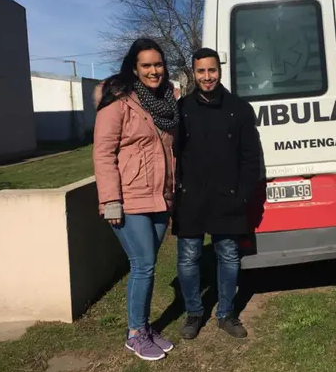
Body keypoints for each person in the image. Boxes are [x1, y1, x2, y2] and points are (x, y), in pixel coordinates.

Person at [92, 38, 179, 361]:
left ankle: (142, 326)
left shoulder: (167, 101)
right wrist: (110, 200)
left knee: (148, 265)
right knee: (143, 265)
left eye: (158, 64)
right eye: (147, 65)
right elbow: (103, 154)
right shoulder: (118, 102)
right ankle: (134, 334)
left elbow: (169, 152)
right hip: (128, 199)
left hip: (160, 197)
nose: (154, 71)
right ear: (134, 68)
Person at [173, 47, 261, 340]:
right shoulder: (182, 109)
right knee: (187, 259)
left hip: (229, 197)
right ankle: (194, 313)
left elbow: (251, 158)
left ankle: (226, 314)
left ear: (219, 71)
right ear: (193, 72)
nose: (207, 77)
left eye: (212, 70)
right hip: (192, 198)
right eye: (201, 71)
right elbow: (171, 153)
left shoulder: (239, 108)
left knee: (228, 256)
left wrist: (243, 194)